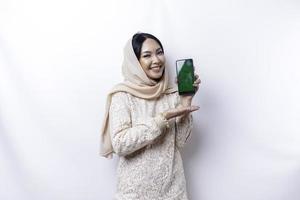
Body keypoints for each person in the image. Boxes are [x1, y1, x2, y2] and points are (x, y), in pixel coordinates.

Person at [100, 32, 201, 200]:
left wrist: (185, 102)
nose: (156, 60)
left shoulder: (170, 94)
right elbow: (120, 144)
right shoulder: (122, 95)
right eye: (147, 55)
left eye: (159, 52)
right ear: (135, 62)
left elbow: (181, 141)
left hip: (173, 192)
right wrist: (161, 119)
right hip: (134, 194)